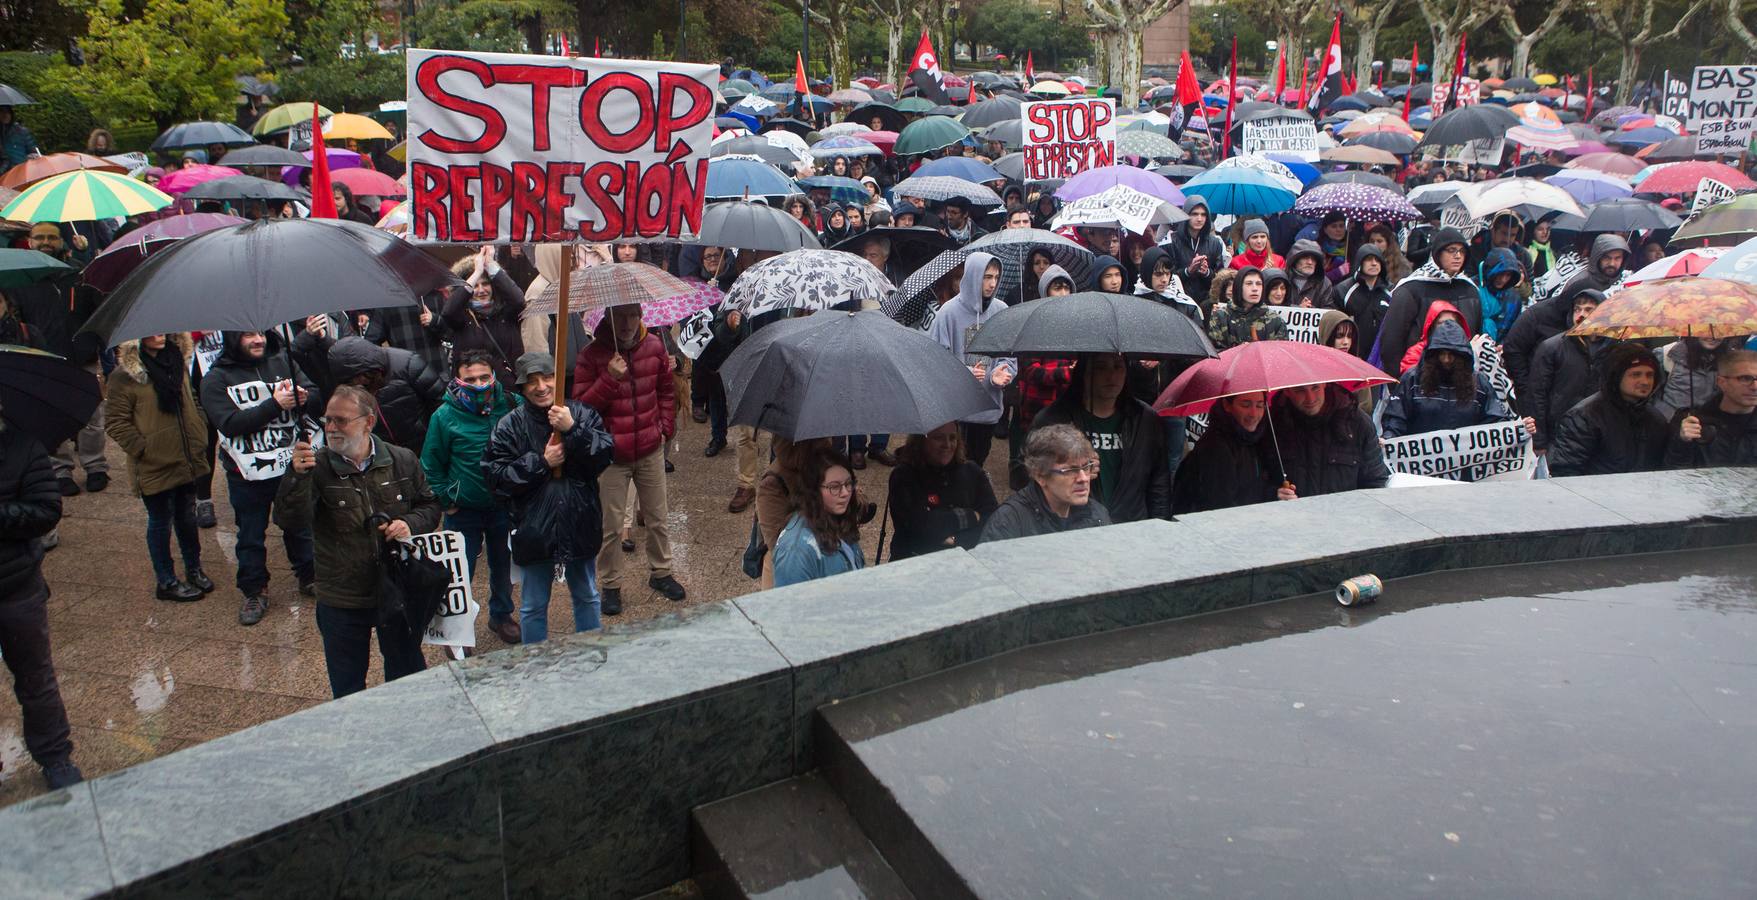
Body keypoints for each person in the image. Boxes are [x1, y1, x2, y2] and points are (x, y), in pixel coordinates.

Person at [277, 386, 442, 699]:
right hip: (342, 597)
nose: (331, 428)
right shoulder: (316, 467)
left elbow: (430, 506)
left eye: (341, 420)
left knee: (407, 675)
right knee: (348, 686)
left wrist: (408, 523)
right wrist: (296, 478)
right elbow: (291, 521)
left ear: (369, 422)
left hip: (396, 591)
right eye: (327, 420)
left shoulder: (401, 459)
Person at [484, 352, 616, 642]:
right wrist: (541, 463)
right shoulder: (509, 426)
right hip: (534, 528)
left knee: (587, 594)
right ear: (521, 387)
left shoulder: (581, 414)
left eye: (547, 377)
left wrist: (573, 430)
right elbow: (496, 477)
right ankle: (536, 661)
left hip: (579, 520)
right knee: (532, 605)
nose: (541, 386)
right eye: (532, 381)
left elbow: (604, 456)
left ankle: (591, 648)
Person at [199, 331, 319, 626]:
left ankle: (310, 575)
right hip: (247, 475)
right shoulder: (216, 379)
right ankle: (254, 590)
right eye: (249, 335)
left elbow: (316, 394)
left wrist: (305, 398)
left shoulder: (282, 360)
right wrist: (275, 405)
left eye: (261, 334)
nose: (258, 340)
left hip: (290, 467)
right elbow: (229, 424)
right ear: (232, 340)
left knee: (301, 525)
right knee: (251, 535)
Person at [572, 308, 686, 613]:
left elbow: (665, 389)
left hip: (649, 448)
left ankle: (661, 572)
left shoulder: (654, 346)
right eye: (618, 317)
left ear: (640, 316)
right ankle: (610, 584)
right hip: (611, 456)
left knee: (657, 517)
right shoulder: (591, 355)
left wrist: (665, 427)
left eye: (631, 316)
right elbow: (581, 410)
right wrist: (609, 379)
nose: (626, 324)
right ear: (607, 319)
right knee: (610, 527)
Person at [0, 408, 81, 789]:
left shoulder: (21, 447)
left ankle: (54, 756)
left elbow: (46, 511)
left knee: (36, 679)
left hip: (15, 585)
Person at [421, 349, 522, 645]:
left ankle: (501, 615)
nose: (478, 384)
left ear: (493, 376)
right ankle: (456, 630)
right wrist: (446, 499)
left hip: (503, 506)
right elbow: (431, 463)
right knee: (458, 573)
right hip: (462, 510)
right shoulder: (444, 416)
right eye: (470, 379)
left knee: (503, 565)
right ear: (457, 379)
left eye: (484, 377)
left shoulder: (509, 404)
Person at [105, 334, 214, 602]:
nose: (159, 336)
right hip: (154, 463)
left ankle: (194, 569)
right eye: (151, 333)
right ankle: (166, 580)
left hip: (186, 456)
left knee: (187, 517)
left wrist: (199, 429)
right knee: (160, 521)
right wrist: (144, 449)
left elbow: (192, 400)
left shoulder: (178, 362)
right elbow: (116, 422)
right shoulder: (124, 377)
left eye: (164, 331)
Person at [14, 223, 106, 496]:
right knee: (50, 416)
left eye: (51, 237)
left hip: (82, 356)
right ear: (29, 242)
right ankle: (61, 469)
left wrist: (94, 343)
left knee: (91, 416)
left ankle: (95, 466)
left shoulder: (78, 273)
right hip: (43, 360)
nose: (46, 242)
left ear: (61, 241)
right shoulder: (21, 280)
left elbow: (98, 311)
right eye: (39, 237)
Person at [1032, 354, 1171, 523]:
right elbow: (1027, 477)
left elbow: (1159, 482)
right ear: (1084, 372)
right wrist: (1071, 470)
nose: (1111, 376)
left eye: (1118, 367)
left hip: (1132, 527)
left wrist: (1160, 526)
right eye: (1100, 367)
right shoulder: (1053, 419)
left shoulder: (1145, 419)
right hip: (1074, 527)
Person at [1503, 235, 1628, 396]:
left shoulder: (1587, 325)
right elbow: (1513, 348)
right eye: (1579, 306)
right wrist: (1526, 386)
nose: (1583, 313)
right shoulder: (1538, 316)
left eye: (1590, 308)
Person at [927, 251, 1014, 465]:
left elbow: (1009, 356)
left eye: (996, 277)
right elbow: (935, 360)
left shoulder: (1001, 310)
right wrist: (963, 375)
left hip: (988, 405)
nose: (992, 283)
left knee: (979, 458)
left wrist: (1002, 372)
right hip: (957, 409)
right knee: (953, 461)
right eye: (987, 277)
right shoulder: (947, 313)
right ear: (973, 275)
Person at [1381, 320, 1532, 440]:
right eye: (1441, 354)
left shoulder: (1479, 383)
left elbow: (1495, 423)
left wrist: (1518, 430)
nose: (1446, 360)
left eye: (1452, 355)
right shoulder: (1412, 380)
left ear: (1463, 356)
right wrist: (1389, 439)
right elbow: (1396, 419)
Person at [1549, 344, 1668, 477]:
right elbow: (1566, 470)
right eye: (1635, 375)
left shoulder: (1656, 419)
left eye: (1650, 375)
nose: (1645, 381)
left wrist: (1681, 439)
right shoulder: (1585, 416)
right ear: (1617, 376)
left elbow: (1665, 466)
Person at [979, 425, 1112, 543]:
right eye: (1071, 470)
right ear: (1040, 475)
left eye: (1086, 467)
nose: (1083, 478)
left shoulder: (1097, 514)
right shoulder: (1009, 522)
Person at [1375, 227, 1479, 375]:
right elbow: (1391, 341)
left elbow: (1476, 334)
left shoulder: (1470, 289)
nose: (1458, 256)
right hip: (1418, 376)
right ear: (1437, 253)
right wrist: (1398, 384)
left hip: (1461, 377)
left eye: (1462, 251)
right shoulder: (1411, 288)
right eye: (1451, 250)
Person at [886, 423, 999, 560]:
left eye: (952, 438)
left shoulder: (972, 471)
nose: (947, 444)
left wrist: (957, 540)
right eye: (938, 438)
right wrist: (971, 516)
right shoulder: (903, 476)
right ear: (921, 439)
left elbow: (994, 521)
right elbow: (920, 527)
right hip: (913, 563)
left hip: (964, 563)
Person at [316, 336, 445, 452]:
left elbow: (440, 402)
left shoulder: (408, 363)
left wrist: (436, 441)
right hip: (385, 456)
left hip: (425, 446)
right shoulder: (347, 385)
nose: (357, 385)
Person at [1269, 384, 1390, 499]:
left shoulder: (1357, 423)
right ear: (1287, 391)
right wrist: (1274, 494)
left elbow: (1375, 482)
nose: (1310, 398)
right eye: (1300, 390)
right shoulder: (1272, 425)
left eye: (1315, 388)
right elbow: (1259, 481)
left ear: (1325, 384)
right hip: (1290, 517)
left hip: (1348, 516)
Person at [1528, 291, 1608, 452]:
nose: (1581, 315)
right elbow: (1537, 395)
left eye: (1588, 310)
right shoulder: (1552, 348)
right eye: (1577, 309)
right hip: (1559, 435)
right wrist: (1539, 440)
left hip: (1602, 434)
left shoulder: (1613, 349)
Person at [1172, 393, 1277, 514]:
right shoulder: (1215, 447)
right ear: (1227, 405)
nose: (1253, 414)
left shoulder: (1253, 437)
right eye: (1245, 405)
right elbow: (1222, 506)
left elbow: (1250, 487)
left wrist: (1274, 493)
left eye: (1260, 406)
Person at [772, 453, 866, 587]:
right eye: (835, 487)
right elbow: (791, 605)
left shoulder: (836, 519)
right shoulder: (796, 551)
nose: (845, 493)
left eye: (848, 483)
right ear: (813, 490)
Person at [441, 247, 526, 385]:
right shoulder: (462, 317)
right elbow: (448, 312)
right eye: (476, 285)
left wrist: (491, 265)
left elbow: (518, 300)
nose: (481, 290)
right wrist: (477, 272)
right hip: (474, 390)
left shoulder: (506, 313)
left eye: (485, 284)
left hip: (508, 390)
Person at [1665, 349, 1757, 468]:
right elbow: (1673, 474)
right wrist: (1682, 443)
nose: (1755, 386)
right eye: (1745, 379)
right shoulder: (1693, 422)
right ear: (1722, 382)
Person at [1654, 336, 1742, 420]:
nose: (1712, 336)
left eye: (1718, 332)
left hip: (1714, 426)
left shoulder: (1732, 360)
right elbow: (1652, 397)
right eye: (1705, 330)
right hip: (1671, 425)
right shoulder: (1667, 354)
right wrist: (1671, 418)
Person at [1161, 195, 1227, 302]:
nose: (1199, 219)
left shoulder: (1215, 243)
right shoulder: (1171, 242)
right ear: (1186, 215)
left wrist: (1206, 272)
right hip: (1178, 300)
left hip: (1206, 301)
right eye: (1194, 214)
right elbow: (1164, 276)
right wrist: (1188, 271)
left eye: (1203, 215)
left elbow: (1221, 278)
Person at [1207, 267, 1288, 350]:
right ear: (1238, 287)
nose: (1255, 289)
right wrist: (1239, 351)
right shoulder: (1221, 316)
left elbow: (1280, 355)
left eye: (1259, 284)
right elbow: (1214, 352)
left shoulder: (1275, 320)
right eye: (1249, 283)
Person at [1335, 245, 1391, 360]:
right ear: (1359, 262)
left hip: (1380, 358)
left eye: (1377, 260)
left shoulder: (1391, 291)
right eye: (1369, 259)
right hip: (1352, 357)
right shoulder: (1343, 290)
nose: (1374, 263)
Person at [1134, 246, 1200, 322]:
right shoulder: (1135, 304)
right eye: (1158, 274)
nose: (1164, 280)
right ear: (1147, 274)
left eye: (1168, 274)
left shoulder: (1185, 304)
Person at [1474, 247, 1525, 341]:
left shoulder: (1513, 299)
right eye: (1500, 274)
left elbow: (1514, 331)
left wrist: (1503, 345)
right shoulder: (1472, 289)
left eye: (1508, 275)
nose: (1503, 279)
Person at [1286, 240, 1337, 308]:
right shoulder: (1281, 278)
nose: (1310, 262)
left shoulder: (1325, 283)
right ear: (1295, 259)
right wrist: (1297, 309)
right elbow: (1271, 305)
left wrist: (1310, 310)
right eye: (1305, 258)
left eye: (1313, 259)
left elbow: (1329, 311)